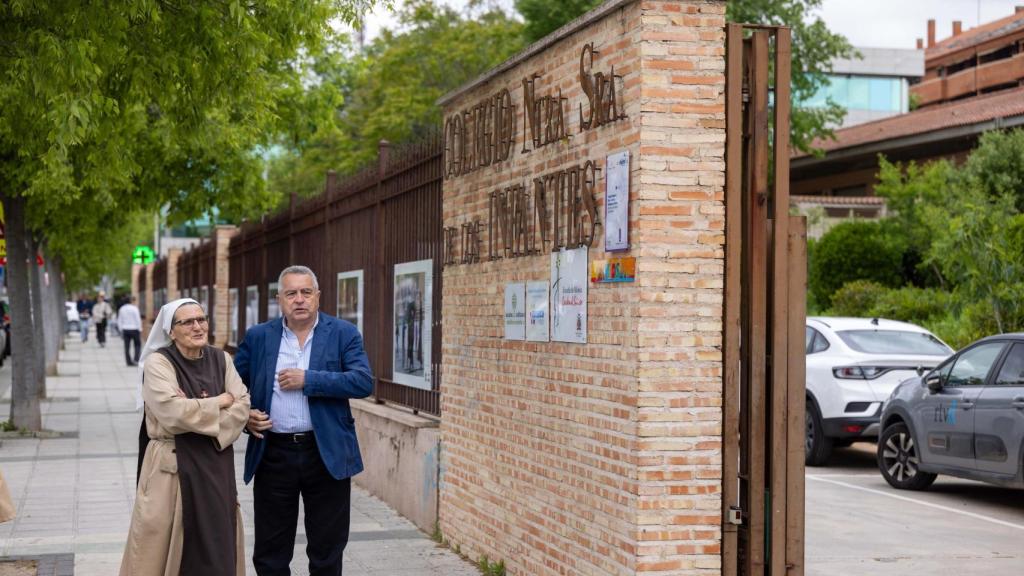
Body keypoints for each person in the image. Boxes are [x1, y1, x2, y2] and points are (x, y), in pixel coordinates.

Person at [235, 265, 373, 576]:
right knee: (271, 551)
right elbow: (232, 385)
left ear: (318, 297)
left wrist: (308, 380)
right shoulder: (259, 337)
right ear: (279, 299)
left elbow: (363, 382)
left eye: (306, 292)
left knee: (327, 549)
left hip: (326, 454)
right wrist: (245, 418)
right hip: (273, 454)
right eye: (291, 293)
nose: (299, 299)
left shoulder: (343, 334)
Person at [120, 298, 251, 576]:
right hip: (172, 467)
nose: (197, 327)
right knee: (164, 543)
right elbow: (172, 413)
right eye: (187, 322)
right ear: (171, 330)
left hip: (216, 465)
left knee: (217, 541)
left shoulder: (222, 358)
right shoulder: (158, 363)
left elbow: (242, 407)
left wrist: (198, 410)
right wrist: (220, 400)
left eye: (201, 319)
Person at [118, 296, 143, 366]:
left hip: (125, 329)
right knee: (137, 345)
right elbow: (138, 319)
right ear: (130, 301)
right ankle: (136, 359)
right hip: (134, 329)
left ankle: (128, 362)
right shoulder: (134, 308)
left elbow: (119, 320)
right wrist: (140, 328)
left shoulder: (121, 309)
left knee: (127, 346)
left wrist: (121, 329)